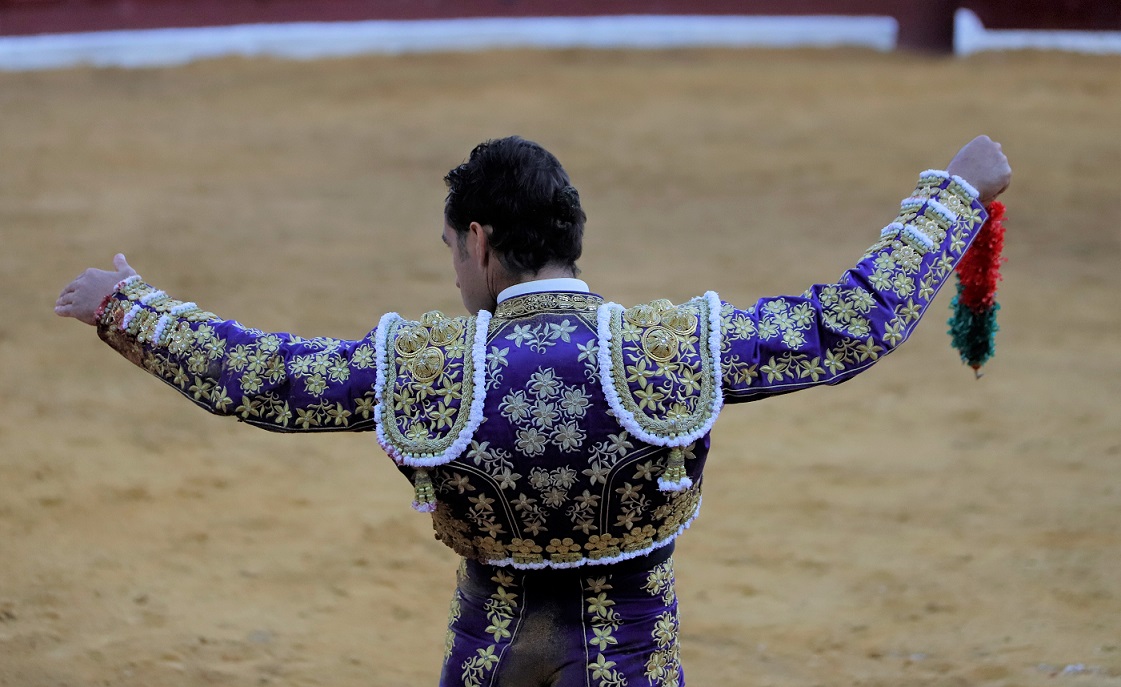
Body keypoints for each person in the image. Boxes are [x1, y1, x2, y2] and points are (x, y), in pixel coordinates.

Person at [55, 134, 1010, 686]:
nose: (452, 269)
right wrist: (953, 193)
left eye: (449, 249)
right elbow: (850, 325)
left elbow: (264, 379)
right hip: (632, 655)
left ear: (478, 241)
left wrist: (126, 307)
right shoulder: (673, 345)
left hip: (492, 657)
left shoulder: (426, 365)